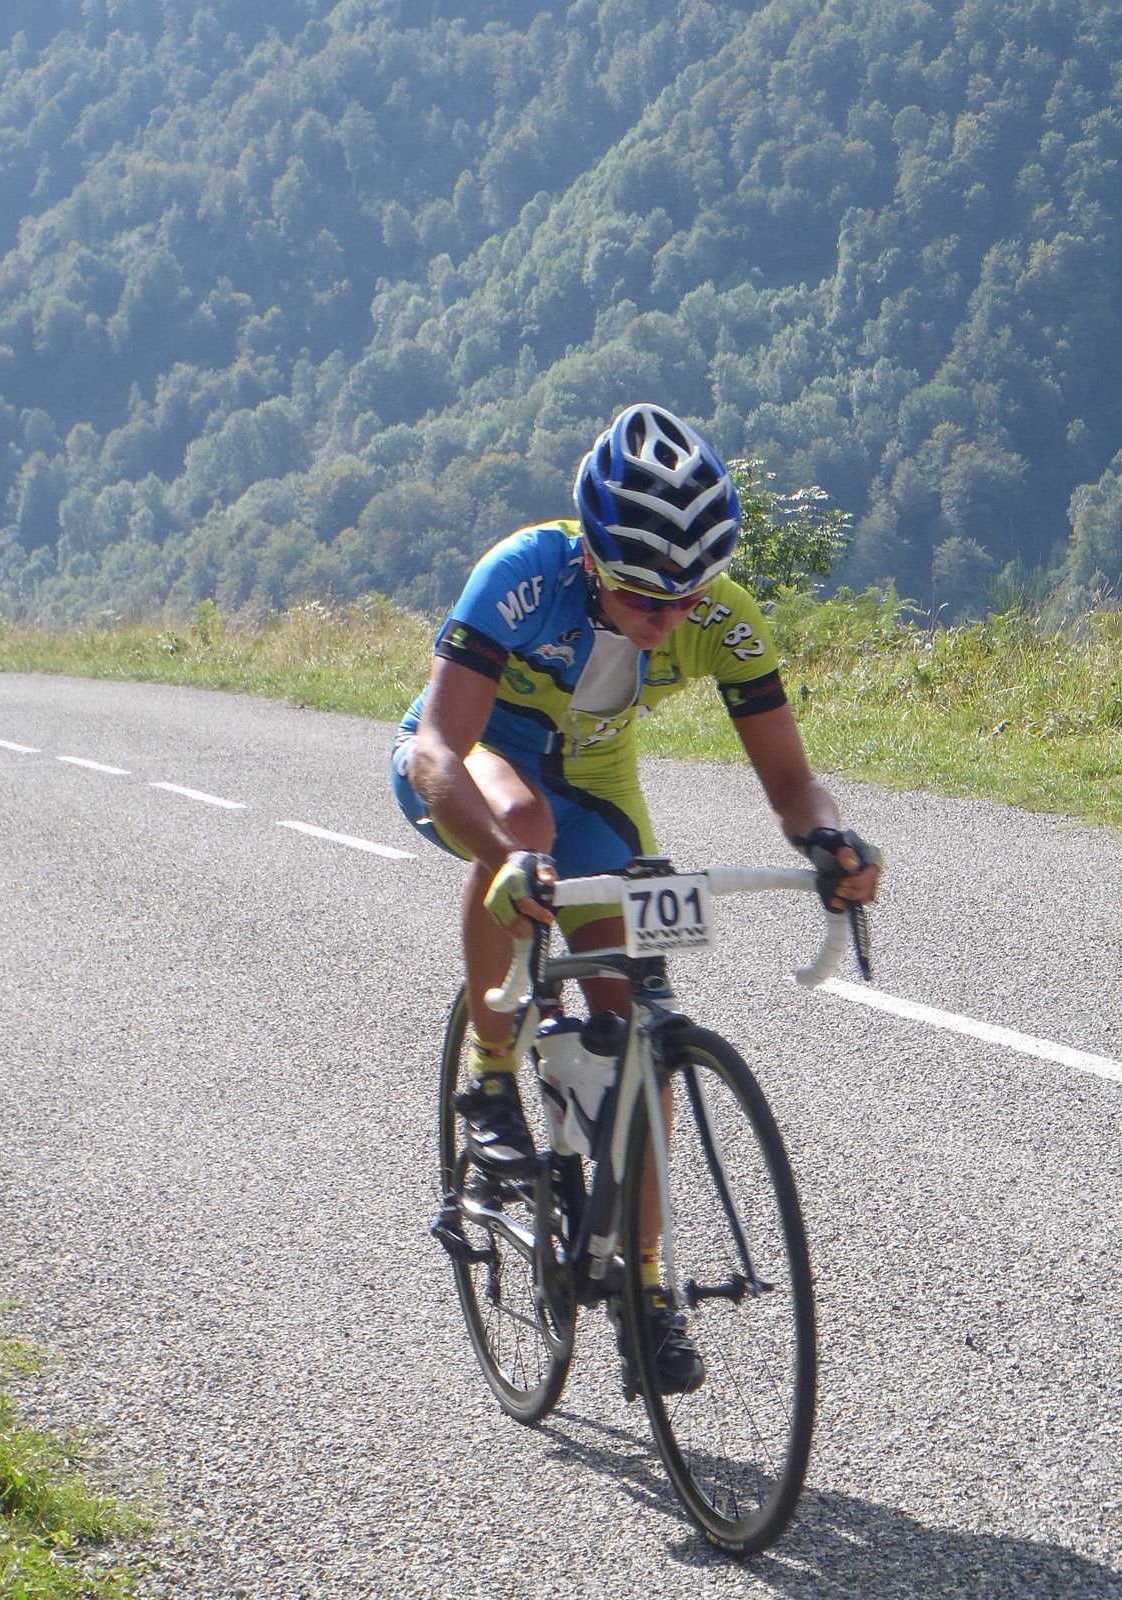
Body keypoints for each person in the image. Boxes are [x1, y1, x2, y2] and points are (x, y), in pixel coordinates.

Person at [391, 402, 881, 1390]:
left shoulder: (721, 618)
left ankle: (644, 1287)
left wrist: (830, 840)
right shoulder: (526, 573)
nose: (669, 622)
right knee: (523, 827)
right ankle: (492, 1075)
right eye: (647, 598)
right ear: (592, 558)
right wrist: (502, 859)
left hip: (596, 791)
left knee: (639, 1029)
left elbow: (793, 781)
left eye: (687, 597)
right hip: (478, 770)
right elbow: (436, 747)